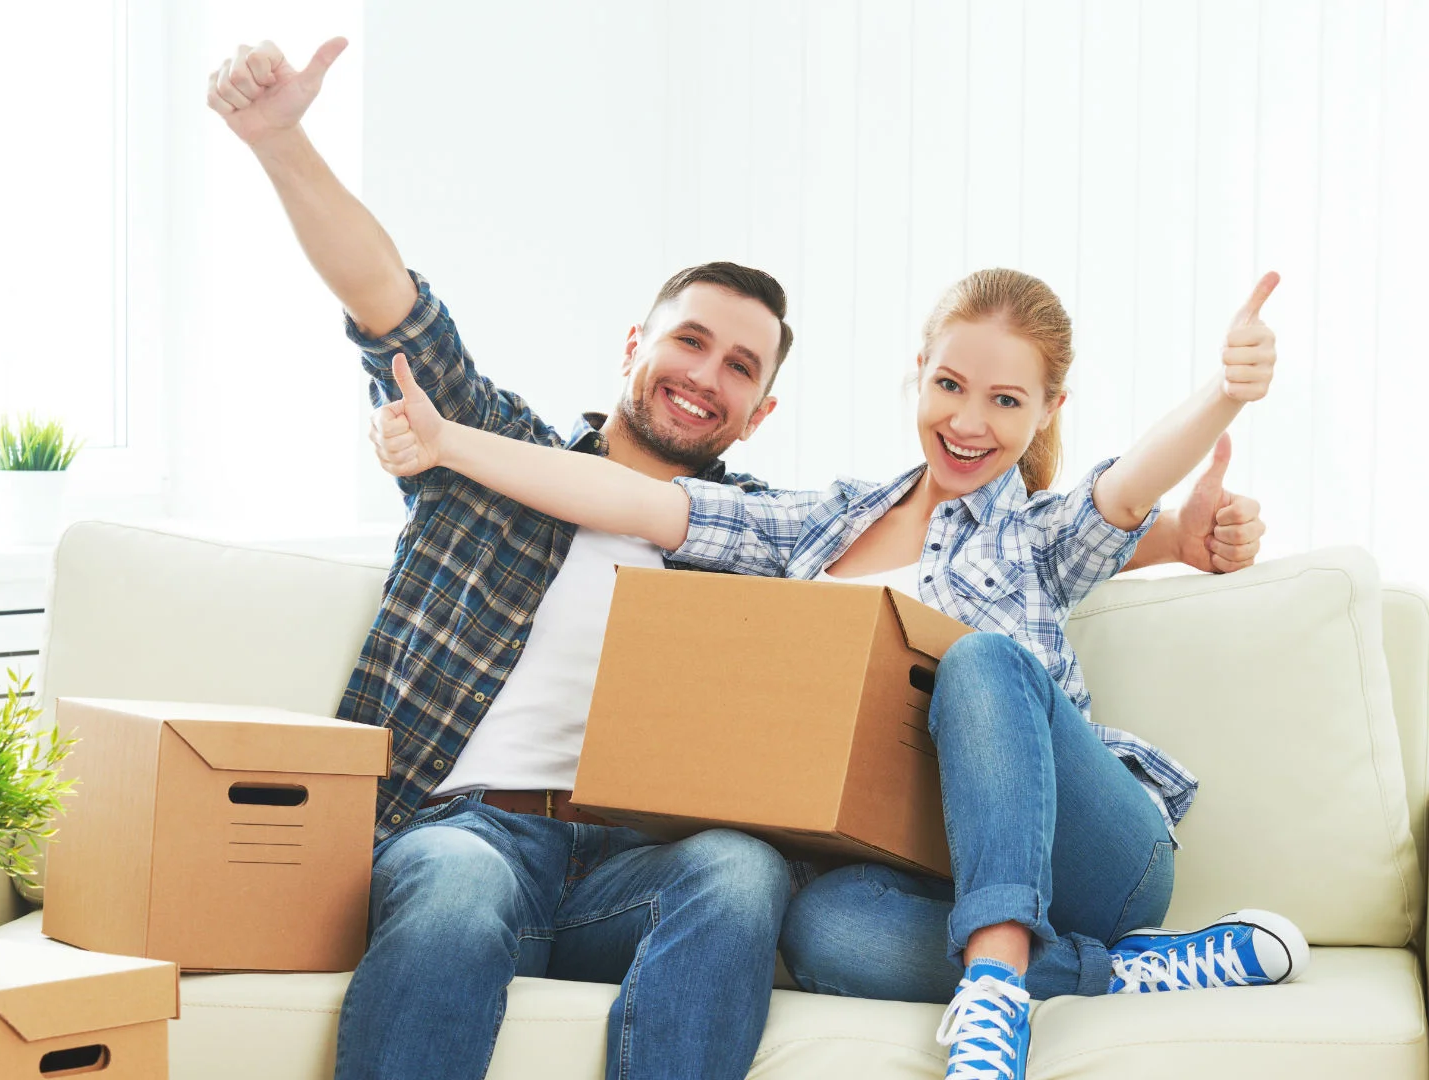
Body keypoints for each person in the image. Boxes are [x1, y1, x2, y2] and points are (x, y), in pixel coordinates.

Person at [209, 35, 1267, 1080]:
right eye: (688, 342)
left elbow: (1069, 522)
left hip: (638, 856)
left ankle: (1008, 979)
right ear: (636, 345)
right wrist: (286, 148)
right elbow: (397, 308)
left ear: (760, 414)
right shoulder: (529, 467)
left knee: (753, 865)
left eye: (739, 367)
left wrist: (1185, 509)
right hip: (466, 831)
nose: (704, 375)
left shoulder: (779, 542)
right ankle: (1086, 972)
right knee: (537, 898)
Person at [371, 265, 1303, 1080]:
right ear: (916, 376)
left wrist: (1223, 392)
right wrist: (450, 445)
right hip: (927, 875)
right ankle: (1109, 970)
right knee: (817, 926)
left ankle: (998, 991)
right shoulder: (815, 529)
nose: (970, 422)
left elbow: (1129, 488)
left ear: (1048, 411)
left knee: (977, 661)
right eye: (950, 385)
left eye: (1007, 402)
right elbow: (643, 503)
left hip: (1094, 854)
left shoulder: (1038, 534)